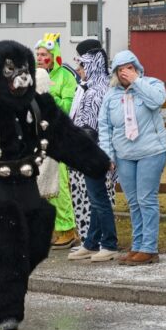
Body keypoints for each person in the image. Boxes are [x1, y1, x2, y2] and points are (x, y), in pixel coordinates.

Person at [0, 40, 110, 330]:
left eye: (23, 69)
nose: (20, 77)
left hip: (25, 182)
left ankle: (10, 281)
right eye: (11, 70)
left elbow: (64, 135)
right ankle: (5, 311)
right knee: (4, 243)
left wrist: (97, 161)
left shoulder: (36, 104)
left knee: (39, 233)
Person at [99, 51, 166, 266]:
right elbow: (105, 126)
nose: (125, 73)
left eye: (129, 68)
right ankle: (137, 245)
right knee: (133, 202)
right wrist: (108, 155)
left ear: (137, 68)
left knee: (146, 199)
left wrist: (137, 82)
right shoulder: (111, 95)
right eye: (120, 69)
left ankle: (149, 248)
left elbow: (157, 101)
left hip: (151, 151)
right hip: (124, 155)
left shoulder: (152, 84)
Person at [67, 39, 117, 262]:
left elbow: (93, 127)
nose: (78, 69)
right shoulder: (92, 88)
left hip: (95, 152)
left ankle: (109, 243)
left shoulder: (98, 91)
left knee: (98, 198)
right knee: (96, 198)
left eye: (82, 65)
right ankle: (91, 242)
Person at [36, 33, 81, 248]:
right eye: (37, 54)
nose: (39, 58)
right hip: (39, 138)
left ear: (54, 56)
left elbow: (70, 106)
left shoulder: (65, 76)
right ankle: (53, 228)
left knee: (59, 185)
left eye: (44, 54)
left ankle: (67, 229)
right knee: (42, 185)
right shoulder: (34, 75)